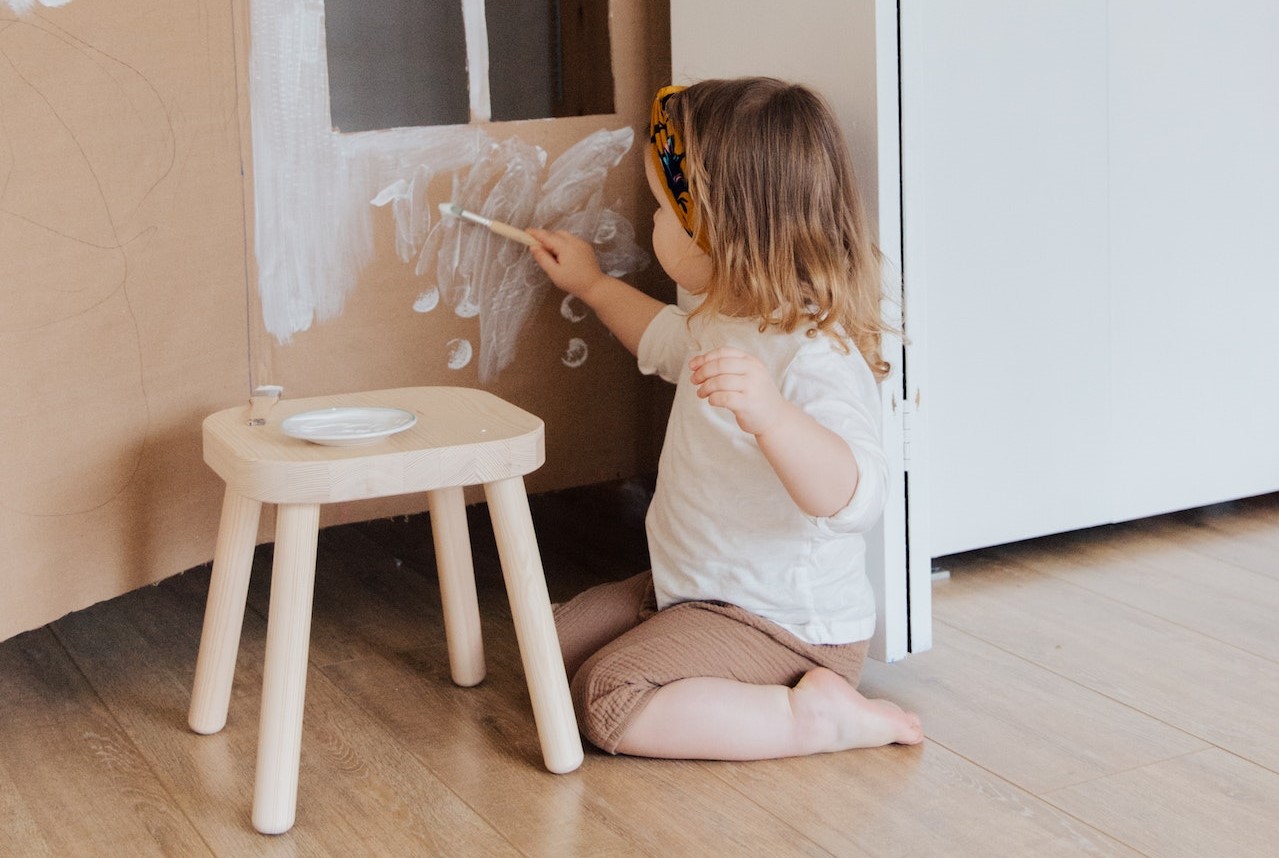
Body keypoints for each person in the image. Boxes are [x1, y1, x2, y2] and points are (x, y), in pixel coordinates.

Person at [527, 77, 922, 760]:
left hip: (784, 626)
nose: (651, 224)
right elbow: (661, 338)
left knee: (606, 698)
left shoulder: (811, 352)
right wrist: (591, 285)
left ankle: (817, 719)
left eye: (662, 211)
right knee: (543, 644)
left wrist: (769, 415)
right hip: (694, 587)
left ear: (724, 231)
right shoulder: (727, 319)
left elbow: (856, 496)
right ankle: (713, 671)